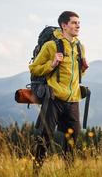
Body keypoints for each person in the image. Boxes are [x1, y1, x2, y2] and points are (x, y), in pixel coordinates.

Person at [29, 11, 88, 175]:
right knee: (45, 138)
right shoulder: (51, 46)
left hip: (73, 99)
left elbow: (77, 75)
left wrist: (83, 69)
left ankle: (68, 172)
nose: (78, 25)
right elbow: (34, 69)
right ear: (64, 25)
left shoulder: (79, 47)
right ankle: (36, 172)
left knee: (72, 140)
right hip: (53, 98)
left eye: (79, 23)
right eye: (74, 22)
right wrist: (52, 63)